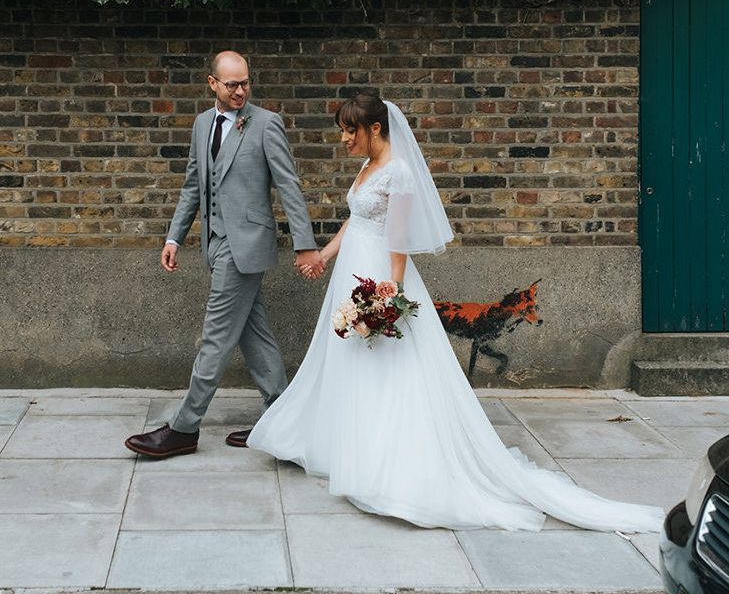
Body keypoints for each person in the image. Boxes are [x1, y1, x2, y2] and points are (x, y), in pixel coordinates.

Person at [246, 93, 664, 532]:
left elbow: (399, 238)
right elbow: (356, 219)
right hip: (351, 270)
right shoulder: (369, 167)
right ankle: (346, 447)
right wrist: (325, 256)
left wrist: (391, 294)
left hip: (379, 276)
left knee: (387, 367)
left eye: (351, 131)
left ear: (375, 129)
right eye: (342, 131)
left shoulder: (400, 173)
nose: (345, 139)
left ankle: (387, 459)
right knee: (351, 361)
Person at [125, 51, 324, 458]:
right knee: (254, 334)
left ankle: (184, 427)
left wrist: (305, 244)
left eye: (245, 83)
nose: (240, 91)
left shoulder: (266, 124)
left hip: (246, 243)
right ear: (212, 83)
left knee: (215, 337)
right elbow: (192, 186)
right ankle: (282, 417)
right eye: (231, 84)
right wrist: (174, 237)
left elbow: (289, 185)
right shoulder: (202, 124)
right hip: (215, 243)